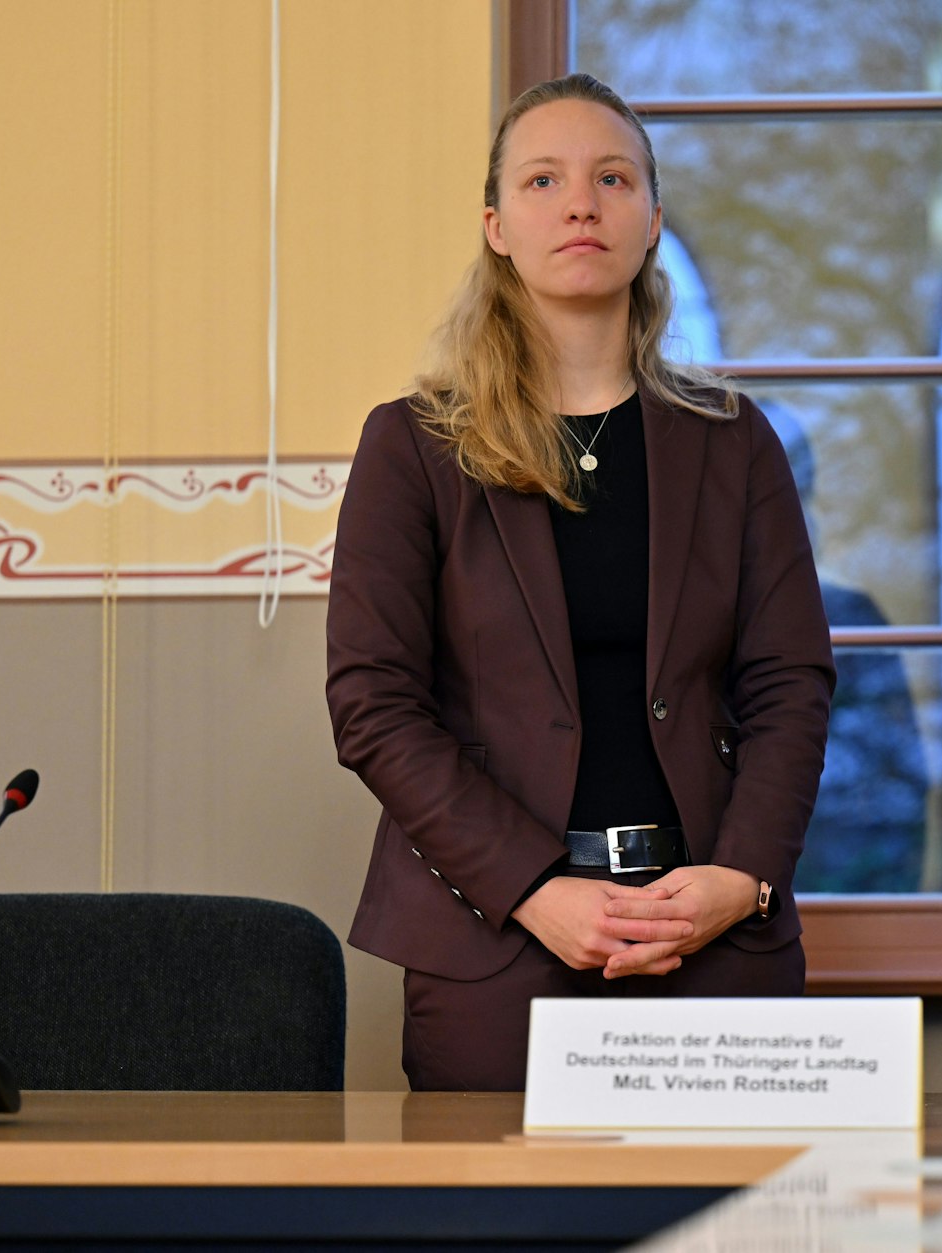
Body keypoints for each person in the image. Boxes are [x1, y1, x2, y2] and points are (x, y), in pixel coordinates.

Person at [325, 74, 835, 1092]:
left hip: (710, 934)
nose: (580, 205)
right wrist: (531, 888)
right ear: (497, 227)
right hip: (498, 941)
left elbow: (790, 683)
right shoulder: (412, 446)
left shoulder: (735, 442)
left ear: (652, 221)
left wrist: (739, 876)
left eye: (612, 179)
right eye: (543, 180)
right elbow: (373, 703)